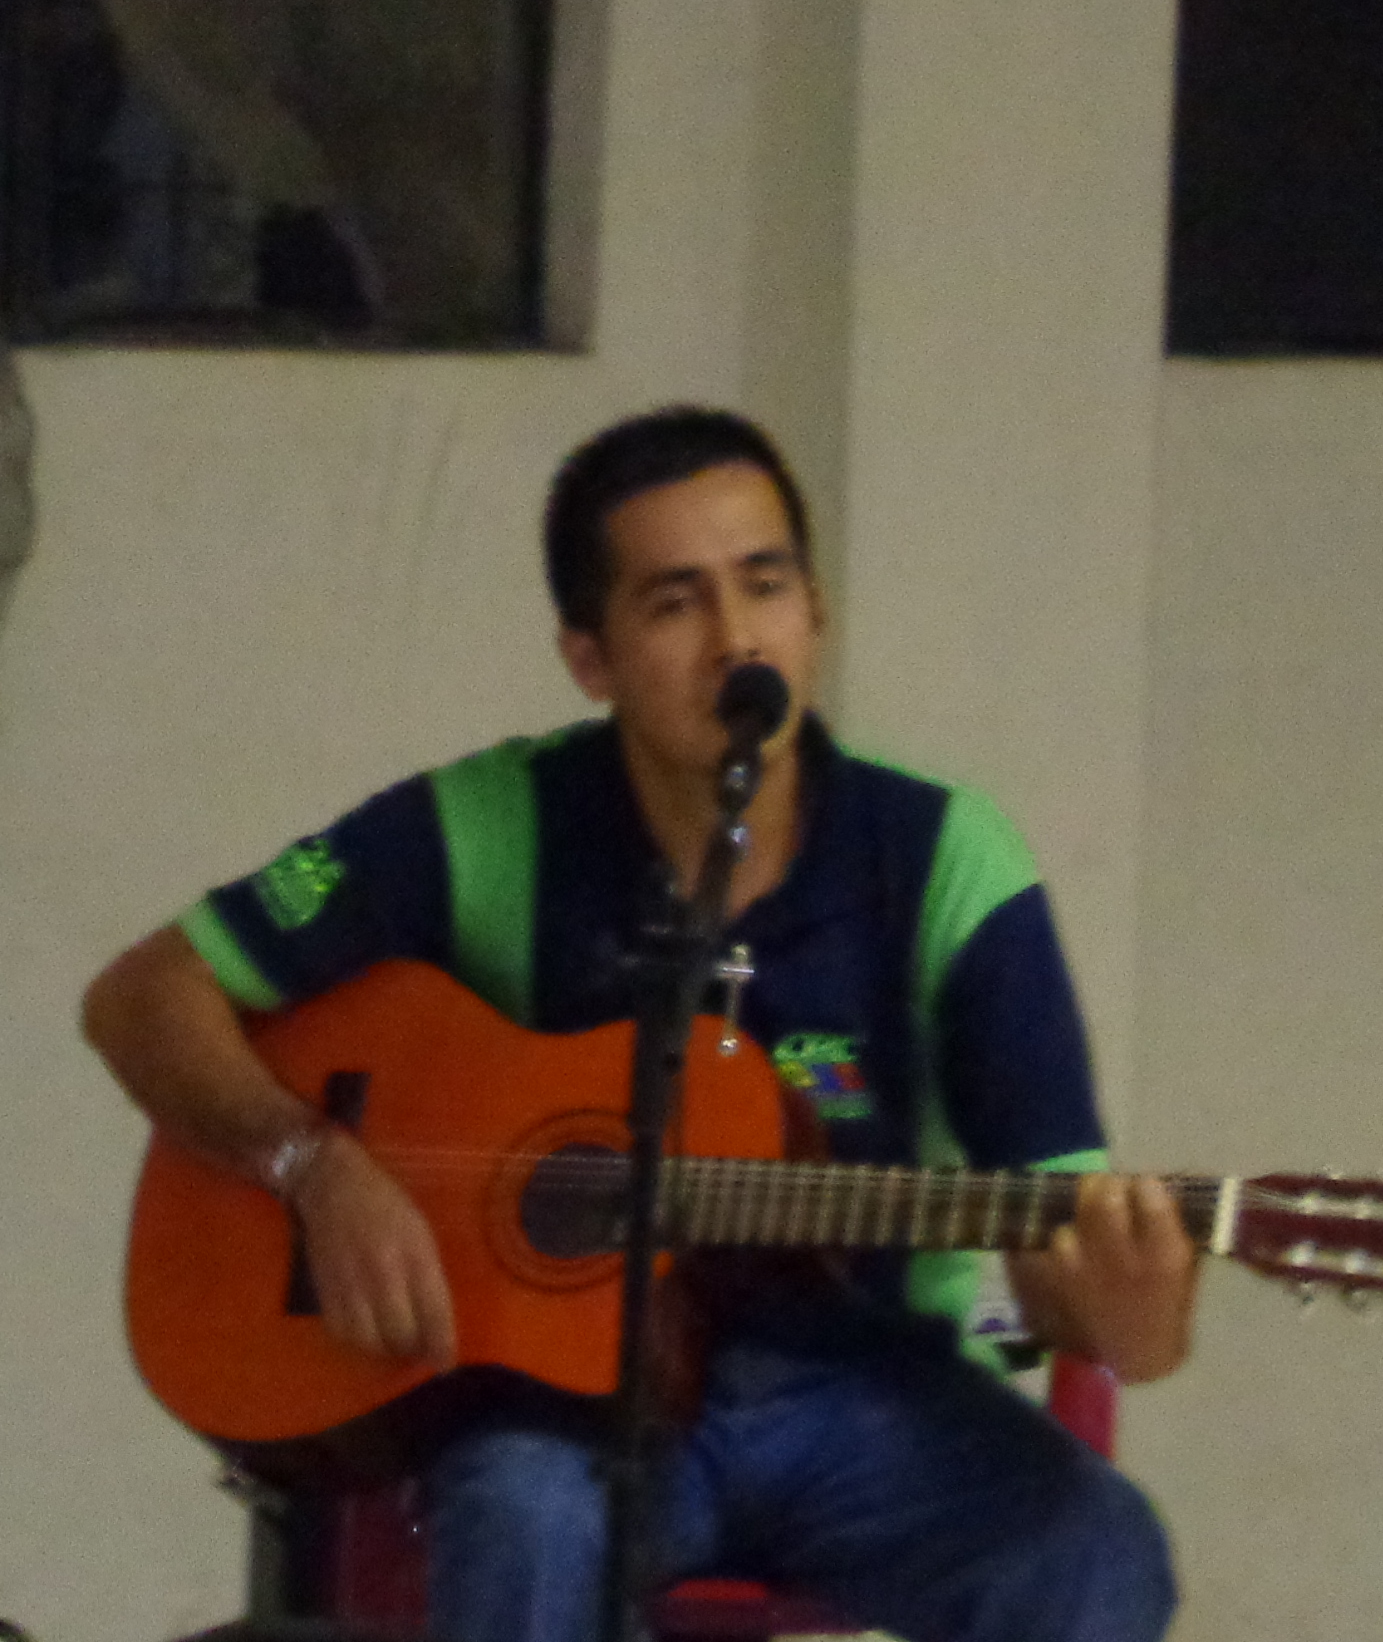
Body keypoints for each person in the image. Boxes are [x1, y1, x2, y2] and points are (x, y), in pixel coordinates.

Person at [81, 405, 1195, 1642]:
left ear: (815, 613)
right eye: (675, 603)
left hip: (876, 1405)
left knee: (1096, 1550)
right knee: (520, 1517)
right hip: (566, 1420)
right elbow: (144, 998)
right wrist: (314, 1165)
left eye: (764, 585)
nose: (736, 640)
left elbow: (1067, 1242)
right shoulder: (486, 823)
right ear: (590, 657)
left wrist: (1131, 1317)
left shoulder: (949, 859)